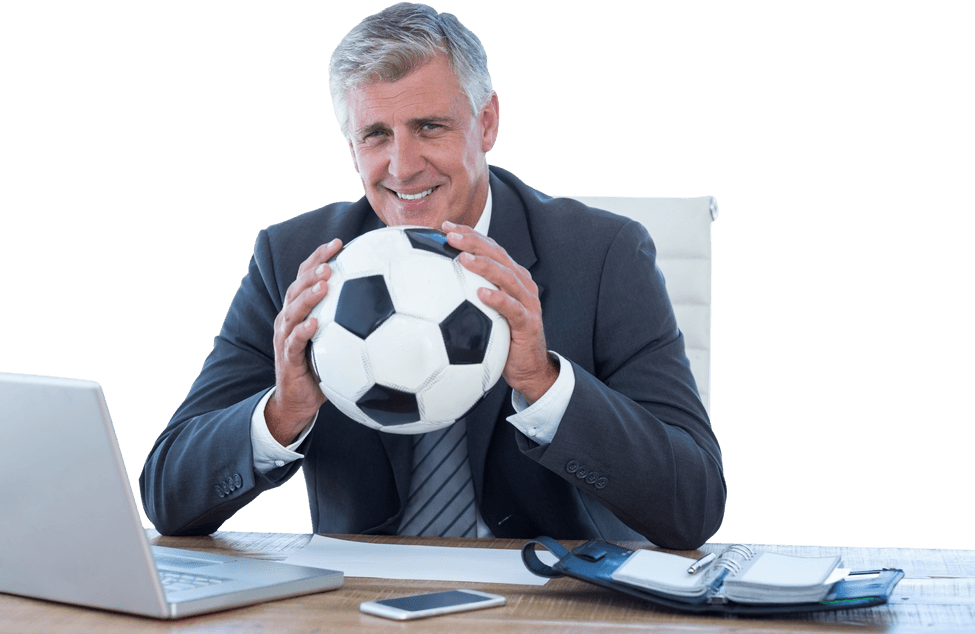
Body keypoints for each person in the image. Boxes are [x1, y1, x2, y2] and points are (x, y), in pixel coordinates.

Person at [140, 2, 725, 550]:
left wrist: (543, 382)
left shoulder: (605, 254)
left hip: (555, 601)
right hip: (359, 609)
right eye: (376, 135)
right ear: (351, 143)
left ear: (487, 121)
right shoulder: (296, 259)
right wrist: (282, 411)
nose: (402, 166)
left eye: (430, 127)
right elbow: (166, 497)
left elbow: (693, 505)